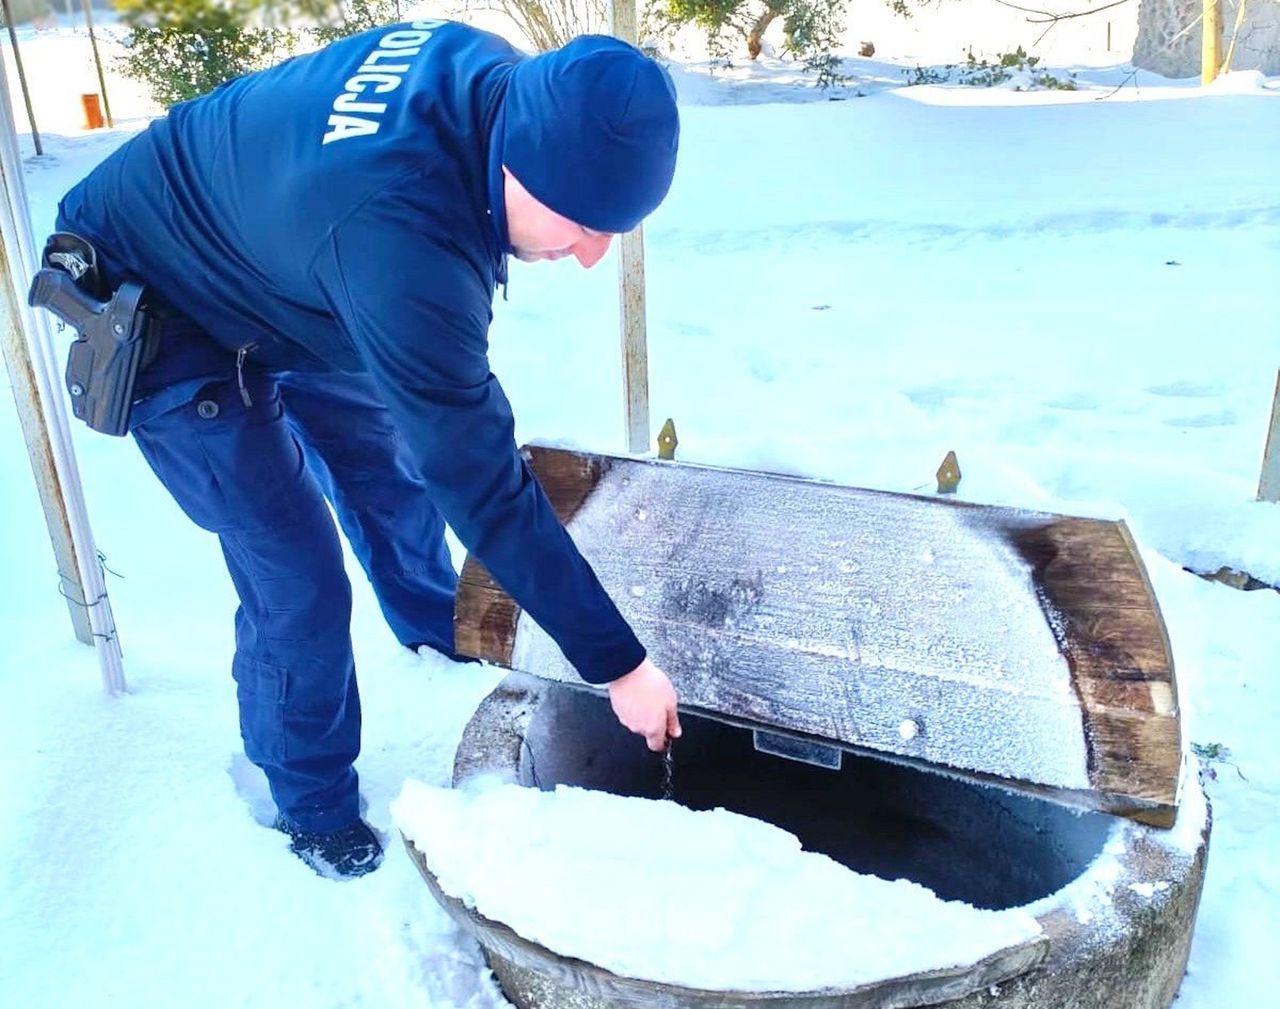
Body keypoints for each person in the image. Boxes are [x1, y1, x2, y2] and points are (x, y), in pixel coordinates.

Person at [51, 19, 684, 879]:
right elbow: (483, 483)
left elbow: (434, 432)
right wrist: (619, 664)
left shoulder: (493, 81)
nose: (589, 256)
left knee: (380, 455)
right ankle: (308, 804)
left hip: (286, 262)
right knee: (293, 566)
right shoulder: (401, 247)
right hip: (154, 295)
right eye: (580, 224)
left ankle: (429, 626)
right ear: (517, 166)